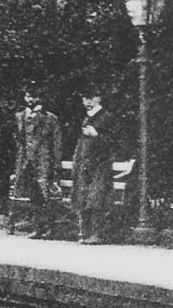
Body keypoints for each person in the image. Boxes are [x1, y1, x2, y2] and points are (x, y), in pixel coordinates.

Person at [13, 87, 63, 239]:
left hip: (44, 162)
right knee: (33, 196)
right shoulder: (20, 117)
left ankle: (49, 228)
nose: (30, 100)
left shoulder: (50, 118)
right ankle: (37, 227)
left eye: (33, 96)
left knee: (46, 196)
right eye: (27, 96)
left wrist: (55, 164)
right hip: (27, 162)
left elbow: (57, 143)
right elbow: (19, 140)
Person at [71, 92, 116, 245]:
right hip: (85, 164)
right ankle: (86, 233)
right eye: (85, 98)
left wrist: (97, 134)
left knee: (97, 199)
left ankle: (98, 234)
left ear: (99, 98)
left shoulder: (106, 117)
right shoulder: (87, 117)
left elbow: (116, 141)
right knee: (84, 197)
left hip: (101, 165)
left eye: (91, 98)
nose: (87, 102)